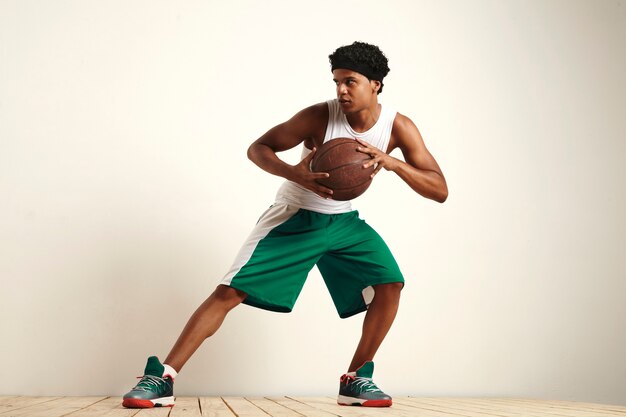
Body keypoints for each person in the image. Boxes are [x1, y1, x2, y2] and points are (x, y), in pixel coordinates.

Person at [122, 41, 448, 409]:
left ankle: (357, 378)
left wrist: (394, 163)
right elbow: (258, 147)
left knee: (390, 283)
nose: (341, 90)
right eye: (336, 81)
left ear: (375, 84)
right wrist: (295, 173)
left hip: (344, 223)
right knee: (230, 291)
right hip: (295, 216)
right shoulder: (319, 116)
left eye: (350, 82)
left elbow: (439, 189)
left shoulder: (398, 127)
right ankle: (162, 377)